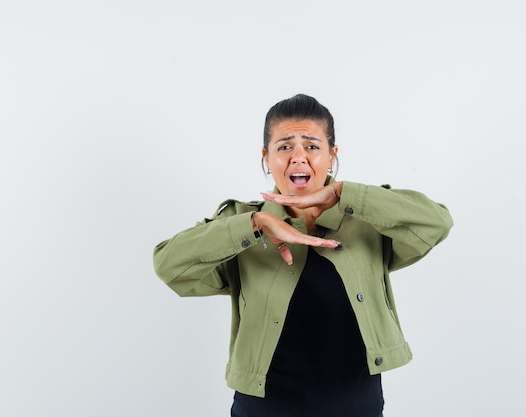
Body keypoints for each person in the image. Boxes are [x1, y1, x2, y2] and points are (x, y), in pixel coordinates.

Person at [153, 94, 453, 417]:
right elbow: (169, 265)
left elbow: (437, 222)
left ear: (332, 156)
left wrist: (346, 194)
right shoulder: (242, 225)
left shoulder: (367, 221)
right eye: (284, 147)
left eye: (311, 146)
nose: (299, 157)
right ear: (266, 158)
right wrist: (256, 225)